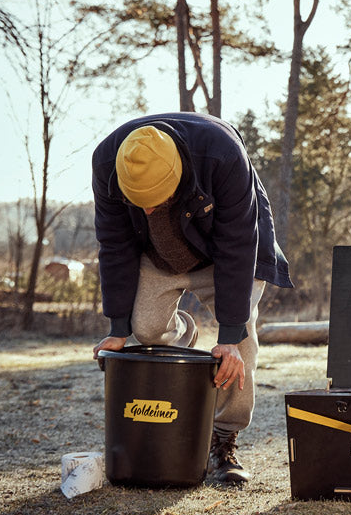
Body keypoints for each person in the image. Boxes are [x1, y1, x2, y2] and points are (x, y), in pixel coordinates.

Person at [91, 112, 293, 485]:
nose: (148, 211)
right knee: (146, 331)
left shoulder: (222, 155)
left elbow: (238, 245)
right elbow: (115, 245)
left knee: (240, 343)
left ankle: (223, 439)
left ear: (176, 175)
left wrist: (230, 335)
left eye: (154, 201)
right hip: (157, 256)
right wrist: (118, 326)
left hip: (226, 254)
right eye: (140, 203)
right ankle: (184, 336)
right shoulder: (107, 162)